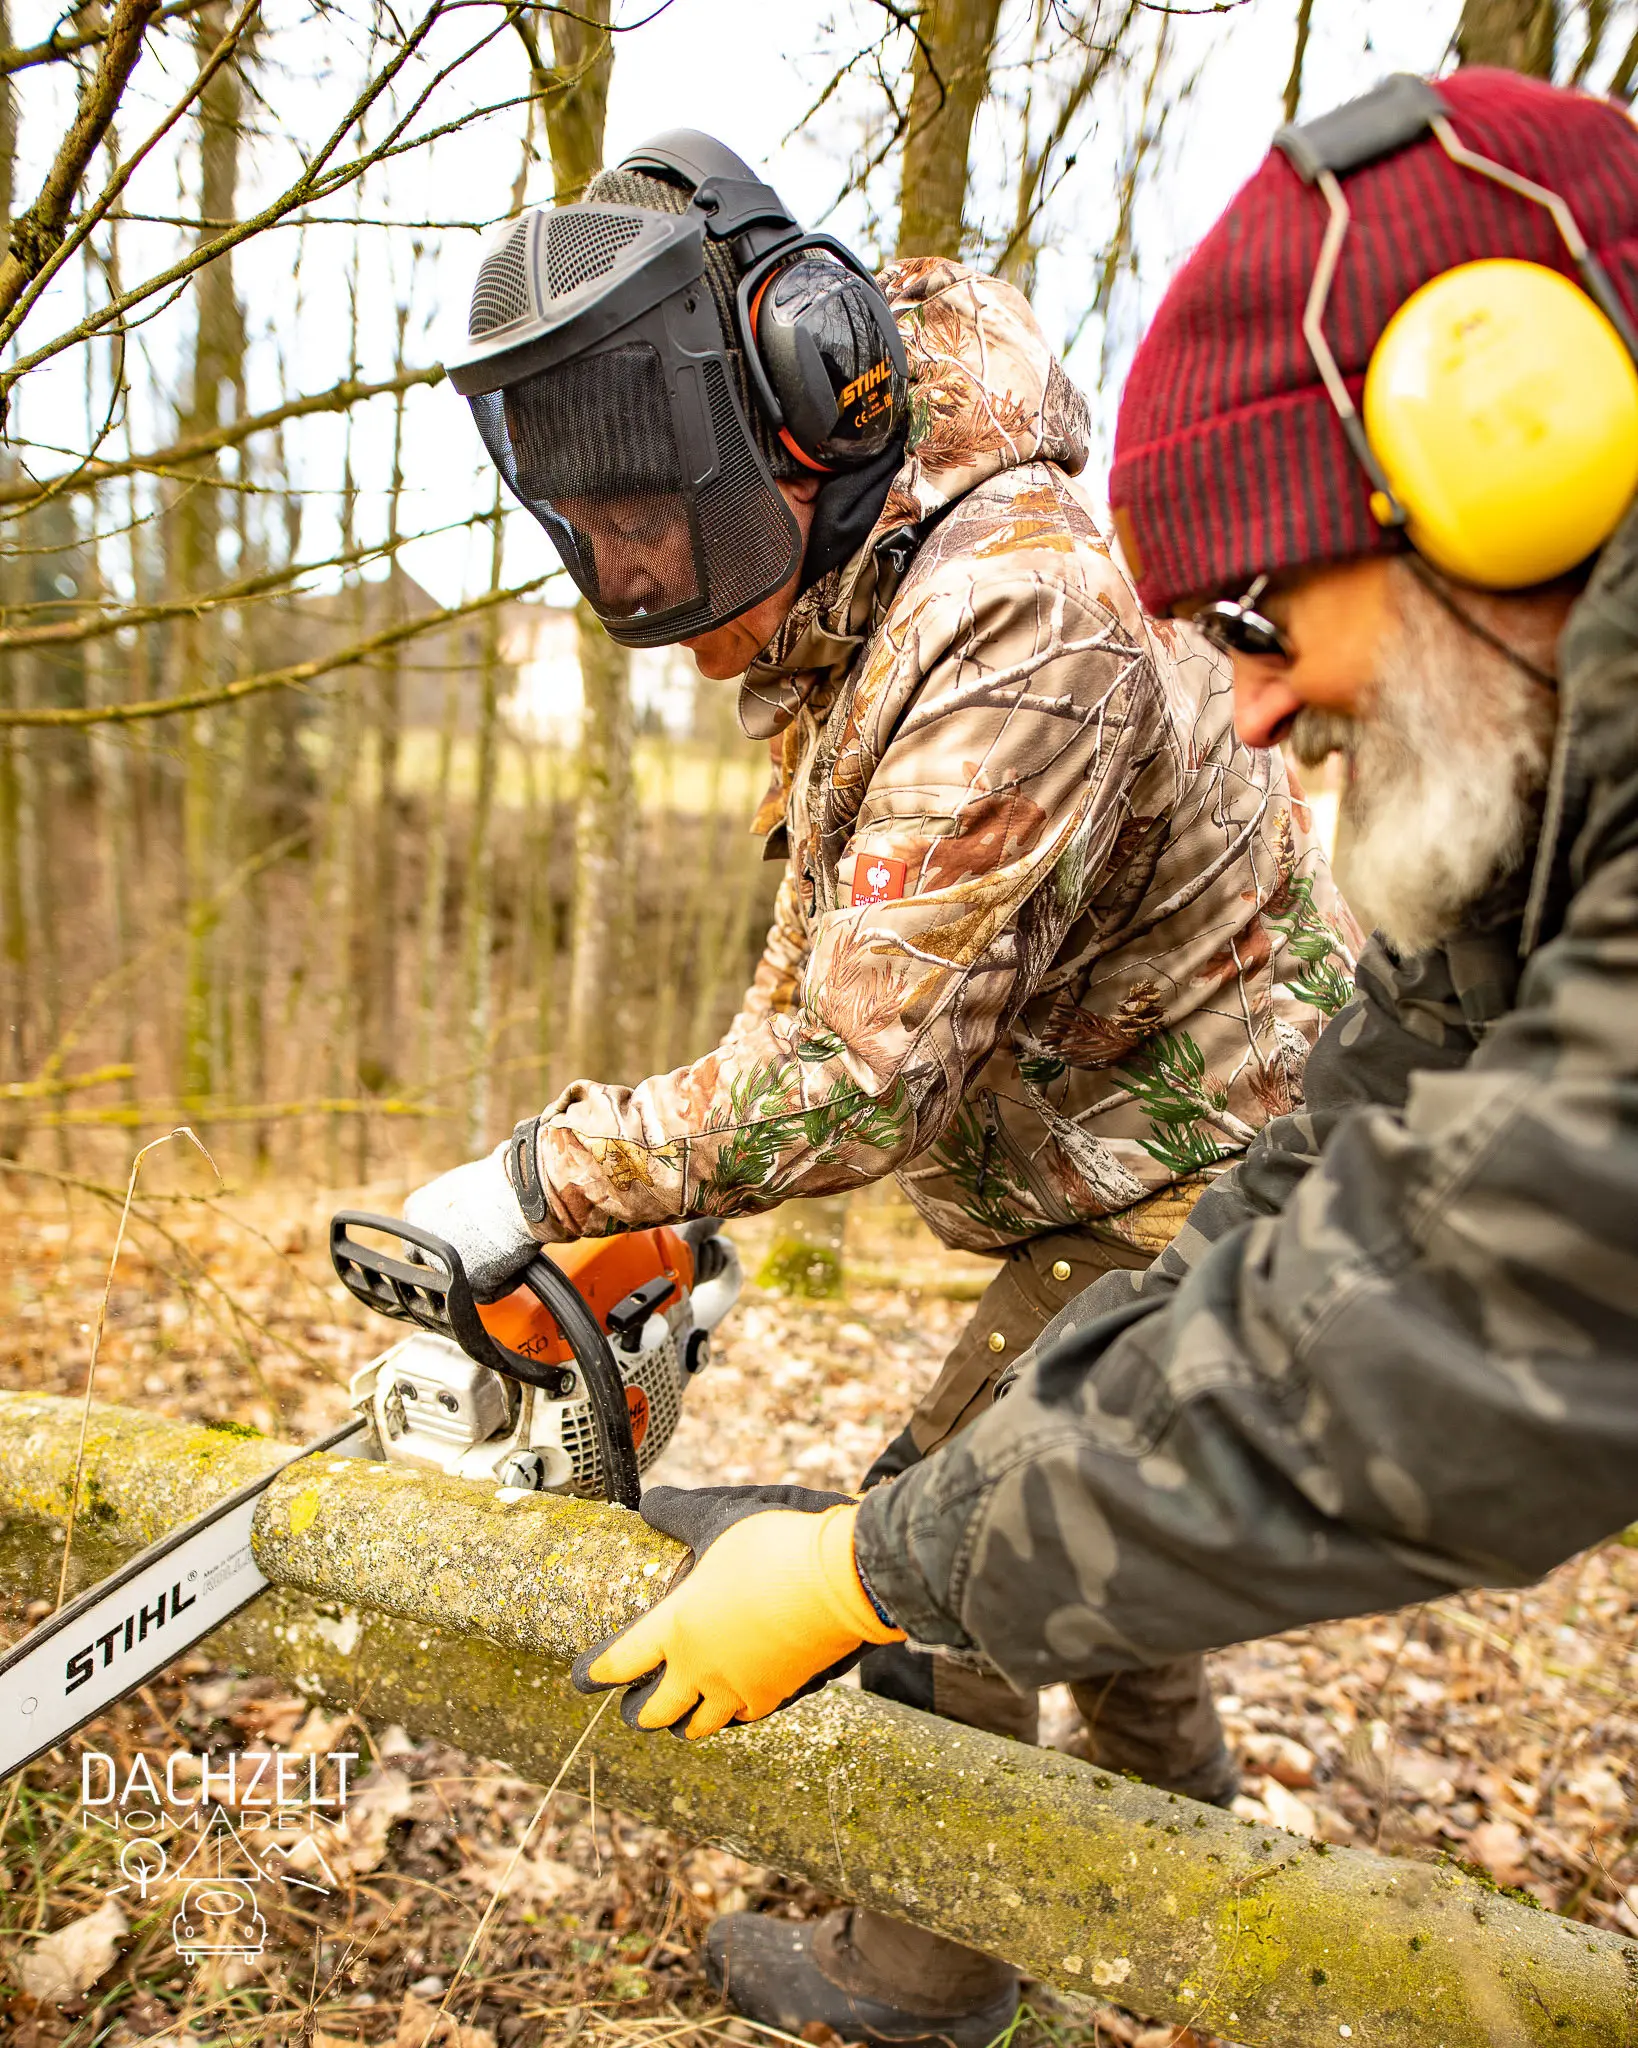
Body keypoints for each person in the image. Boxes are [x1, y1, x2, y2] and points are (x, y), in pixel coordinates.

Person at [572, 59, 1638, 2040]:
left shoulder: (1021, 623)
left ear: (1515, 451)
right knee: (1099, 1462)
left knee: (987, 1497)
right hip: (1154, 1183)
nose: (1241, 713)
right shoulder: (1536, 819)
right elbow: (1345, 1153)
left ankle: (939, 1970)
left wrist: (867, 1565)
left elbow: (1467, 1329)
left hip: (1141, 1164)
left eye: (1258, 611)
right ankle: (1191, 1900)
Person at [423, 130, 1353, 2046]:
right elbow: (828, 958)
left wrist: (551, 1171)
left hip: (1228, 1156)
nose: (627, 562)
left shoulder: (1006, 618)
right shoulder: (880, 558)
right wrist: (671, 1187)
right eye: (589, 522)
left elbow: (857, 1076)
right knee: (1104, 1502)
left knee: (948, 1525)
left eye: (650, 510)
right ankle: (1163, 1840)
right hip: (1147, 1133)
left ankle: (924, 1977)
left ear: (798, 389)